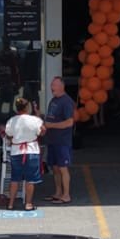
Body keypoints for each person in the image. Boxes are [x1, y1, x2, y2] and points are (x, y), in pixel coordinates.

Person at [2, 96, 44, 211]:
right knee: (30, 179)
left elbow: (9, 134)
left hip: (16, 152)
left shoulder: (11, 120)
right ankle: (28, 203)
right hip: (31, 150)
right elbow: (41, 132)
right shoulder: (35, 120)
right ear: (27, 107)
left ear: (17, 108)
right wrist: (38, 115)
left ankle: (11, 204)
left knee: (15, 178)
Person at [42, 75, 75, 203]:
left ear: (62, 86)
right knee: (55, 168)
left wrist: (51, 125)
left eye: (54, 85)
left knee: (63, 168)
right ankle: (58, 192)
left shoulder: (66, 102)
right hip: (52, 140)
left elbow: (69, 122)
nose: (51, 88)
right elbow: (51, 118)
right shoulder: (53, 100)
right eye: (51, 85)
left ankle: (66, 195)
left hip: (62, 141)